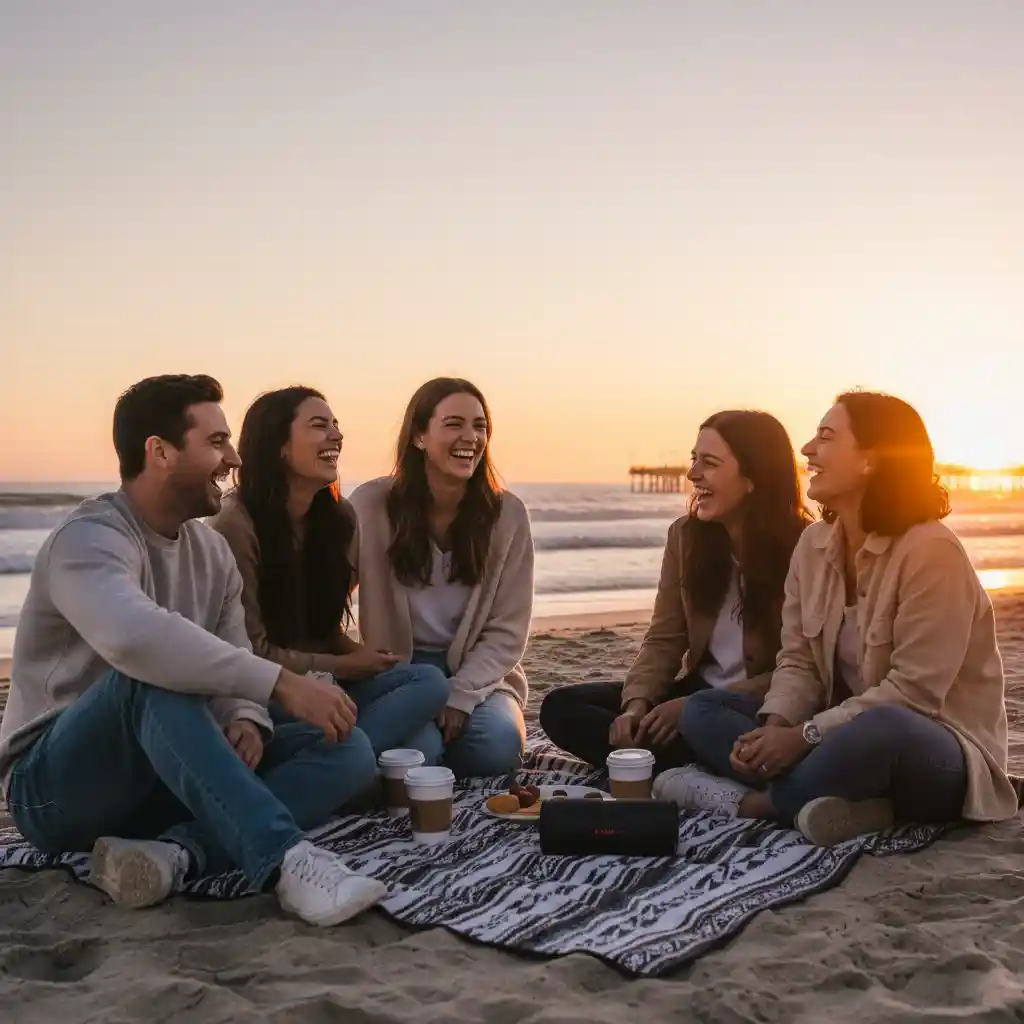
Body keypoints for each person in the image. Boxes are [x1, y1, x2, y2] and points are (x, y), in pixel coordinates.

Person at [0, 375, 387, 925]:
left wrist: (248, 719)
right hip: (56, 787)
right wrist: (278, 685)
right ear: (158, 452)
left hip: (166, 768)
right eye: (215, 443)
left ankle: (177, 853)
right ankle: (288, 863)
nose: (233, 458)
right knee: (148, 677)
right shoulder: (88, 540)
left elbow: (229, 650)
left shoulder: (211, 552)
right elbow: (136, 639)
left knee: (347, 749)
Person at [662, 391, 1018, 845]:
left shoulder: (931, 551)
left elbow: (913, 694)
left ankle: (758, 804)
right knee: (702, 708)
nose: (807, 449)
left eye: (826, 437)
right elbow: (798, 661)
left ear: (870, 460)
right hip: (834, 732)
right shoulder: (813, 546)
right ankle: (849, 805)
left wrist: (804, 736)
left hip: (934, 750)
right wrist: (774, 732)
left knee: (882, 728)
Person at [541, 410, 812, 771]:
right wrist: (637, 705)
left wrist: (696, 706)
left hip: (758, 706)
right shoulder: (686, 537)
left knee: (703, 720)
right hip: (695, 693)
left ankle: (669, 765)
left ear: (753, 478)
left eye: (710, 463)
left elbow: (804, 668)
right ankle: (689, 766)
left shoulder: (805, 549)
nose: (692, 474)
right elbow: (664, 638)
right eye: (694, 459)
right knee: (561, 707)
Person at [210, 387, 450, 761]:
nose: (336, 436)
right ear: (279, 445)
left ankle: (337, 755)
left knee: (429, 683)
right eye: (319, 426)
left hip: (326, 680)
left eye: (335, 425)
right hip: (268, 692)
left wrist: (364, 657)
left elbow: (321, 629)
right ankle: (342, 759)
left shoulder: (337, 519)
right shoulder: (235, 526)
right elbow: (252, 652)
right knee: (419, 746)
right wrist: (346, 665)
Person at [349, 378, 533, 779]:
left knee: (496, 746)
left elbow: (508, 630)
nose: (471, 437)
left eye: (480, 426)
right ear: (418, 435)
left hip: (479, 671)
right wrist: (348, 660)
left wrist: (462, 695)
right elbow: (329, 597)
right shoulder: (371, 505)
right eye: (454, 424)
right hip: (401, 673)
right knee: (419, 754)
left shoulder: (508, 515)